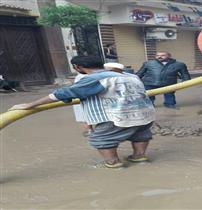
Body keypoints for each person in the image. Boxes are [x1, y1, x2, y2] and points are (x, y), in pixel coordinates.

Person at [9, 56, 155, 169]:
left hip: (116, 115)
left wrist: (30, 104)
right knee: (140, 133)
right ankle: (139, 157)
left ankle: (114, 163)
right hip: (145, 114)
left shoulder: (93, 78)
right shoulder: (131, 76)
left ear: (78, 67)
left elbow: (64, 93)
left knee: (102, 139)